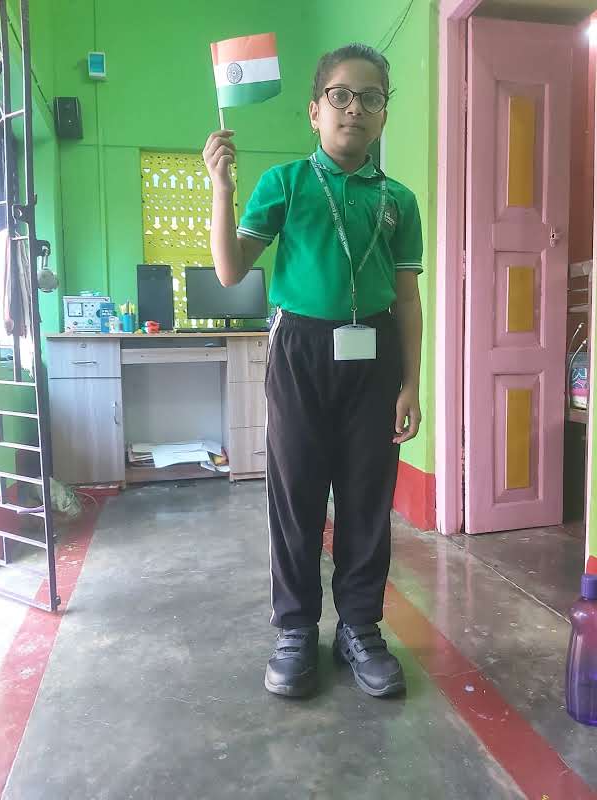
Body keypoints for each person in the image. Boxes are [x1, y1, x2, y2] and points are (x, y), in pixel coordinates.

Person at [203, 42, 423, 699]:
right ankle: (296, 628)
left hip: (374, 354)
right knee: (296, 494)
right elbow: (230, 270)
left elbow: (408, 299)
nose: (355, 108)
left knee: (366, 497)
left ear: (384, 114)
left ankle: (359, 627)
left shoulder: (398, 199)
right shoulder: (287, 184)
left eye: (371, 98)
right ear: (315, 111)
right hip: (299, 349)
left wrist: (412, 383)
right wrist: (222, 189)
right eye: (341, 95)